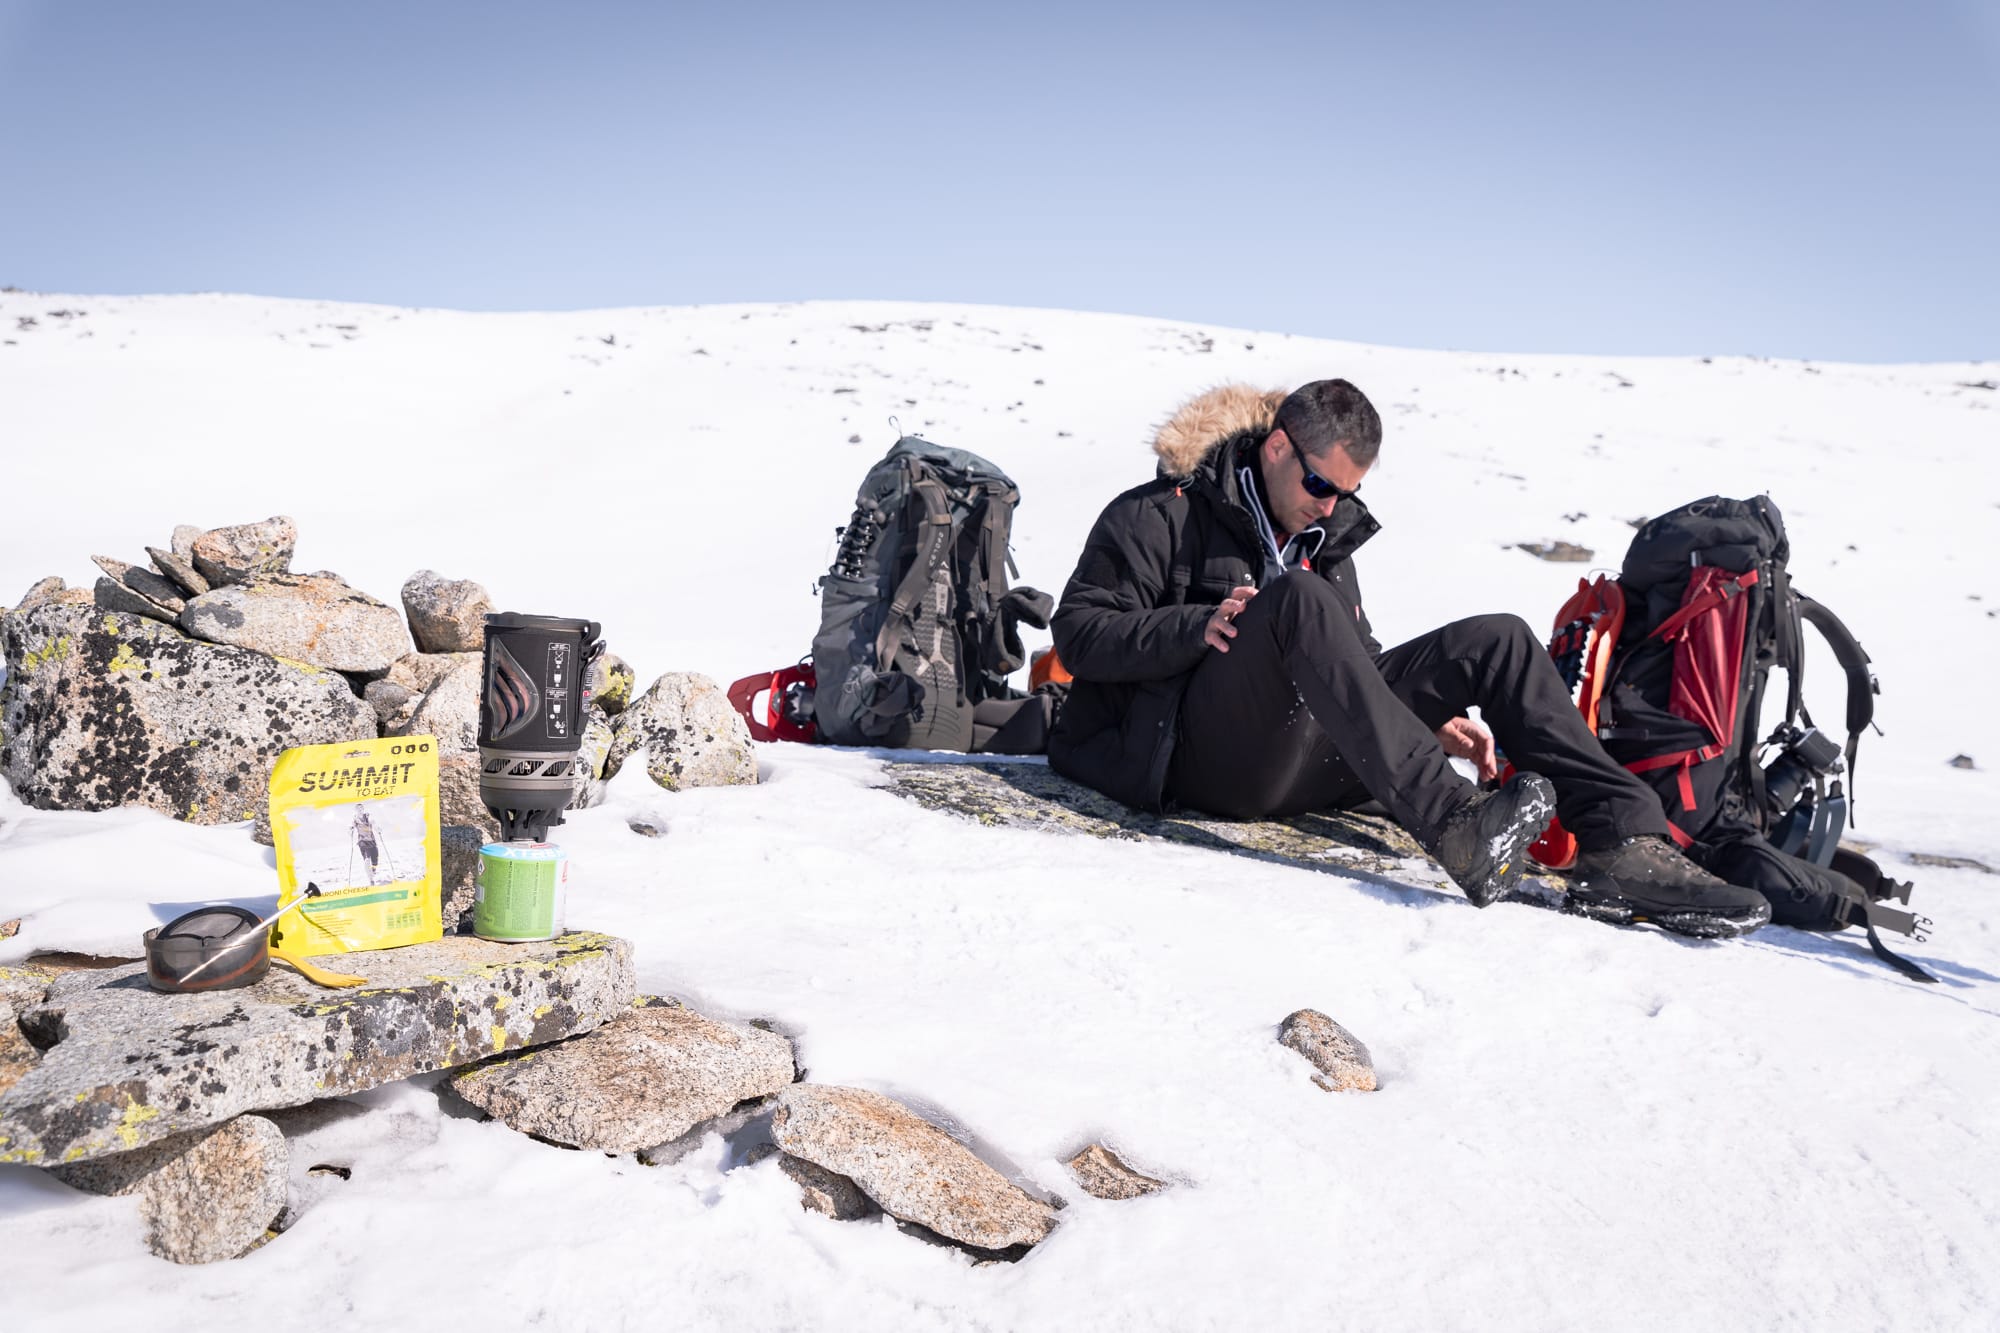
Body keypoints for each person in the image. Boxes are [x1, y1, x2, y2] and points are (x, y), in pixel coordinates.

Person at [1047, 380, 1771, 937]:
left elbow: (1351, 662)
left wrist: (1429, 723)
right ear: (1275, 448)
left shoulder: (1321, 538)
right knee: (1297, 599)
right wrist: (1195, 625)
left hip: (1294, 762)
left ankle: (1624, 844)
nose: (1330, 507)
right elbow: (1078, 632)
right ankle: (1457, 823)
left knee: (1498, 636)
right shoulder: (1158, 514)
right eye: (1321, 485)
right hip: (1193, 762)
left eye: (1348, 492)